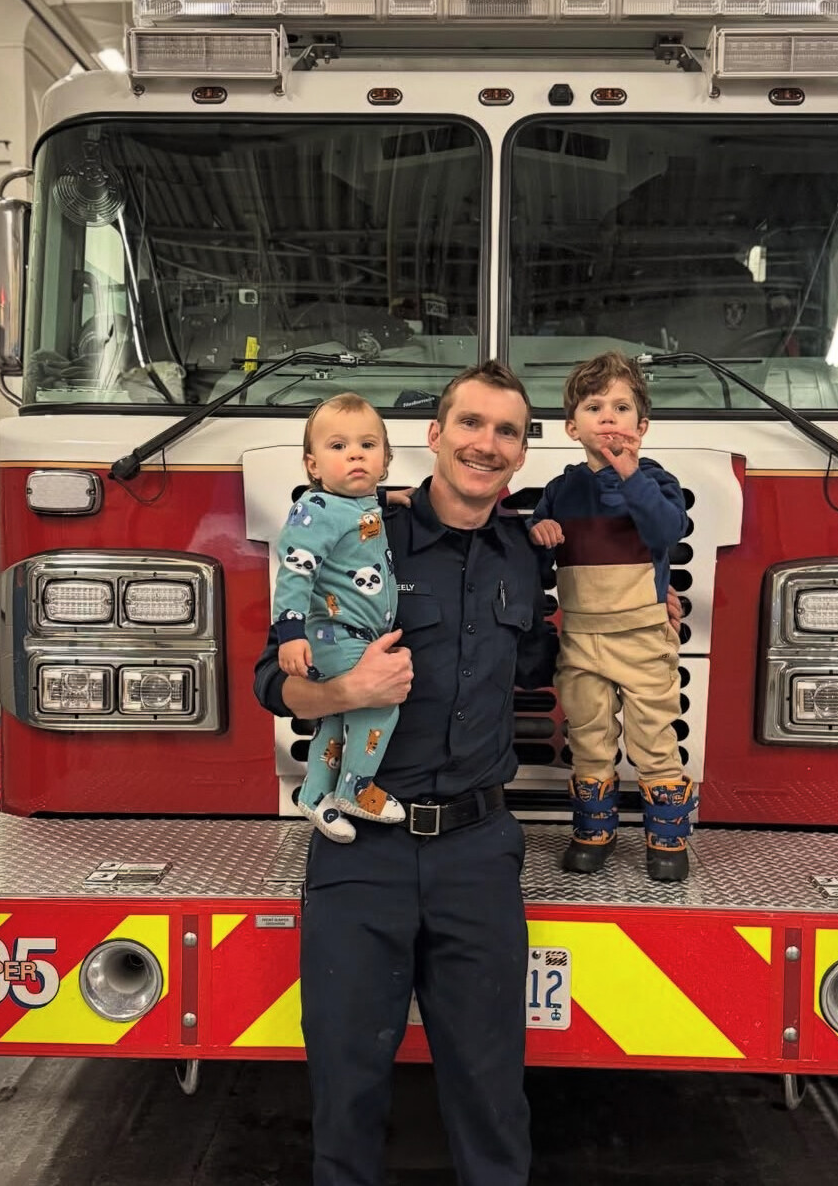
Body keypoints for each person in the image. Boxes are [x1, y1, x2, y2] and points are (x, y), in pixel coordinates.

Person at [254, 361, 557, 1186]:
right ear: (434, 435)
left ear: (521, 453)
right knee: (346, 1094)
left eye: (506, 431)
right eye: (470, 424)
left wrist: (643, 603)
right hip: (363, 853)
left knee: (493, 1099)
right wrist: (344, 692)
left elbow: (543, 660)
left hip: (478, 852)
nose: (486, 444)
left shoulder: (523, 555)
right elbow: (269, 680)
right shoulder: (360, 529)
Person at [528, 351, 693, 882]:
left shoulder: (656, 481)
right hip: (580, 638)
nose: (608, 418)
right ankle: (593, 832)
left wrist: (629, 474)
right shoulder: (561, 491)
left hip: (644, 636)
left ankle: (667, 838)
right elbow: (535, 566)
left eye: (621, 408)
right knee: (588, 736)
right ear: (571, 427)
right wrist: (539, 536)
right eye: (594, 407)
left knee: (653, 738)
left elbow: (666, 531)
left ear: (641, 428)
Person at [271, 393, 405, 841]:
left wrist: (390, 496)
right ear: (313, 466)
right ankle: (355, 789)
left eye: (368, 445)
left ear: (385, 460)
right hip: (335, 633)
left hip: (355, 633)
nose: (355, 455)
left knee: (334, 716)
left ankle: (314, 796)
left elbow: (359, 506)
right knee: (379, 701)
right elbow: (295, 572)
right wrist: (290, 633)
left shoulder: (358, 503)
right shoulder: (313, 511)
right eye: (338, 446)